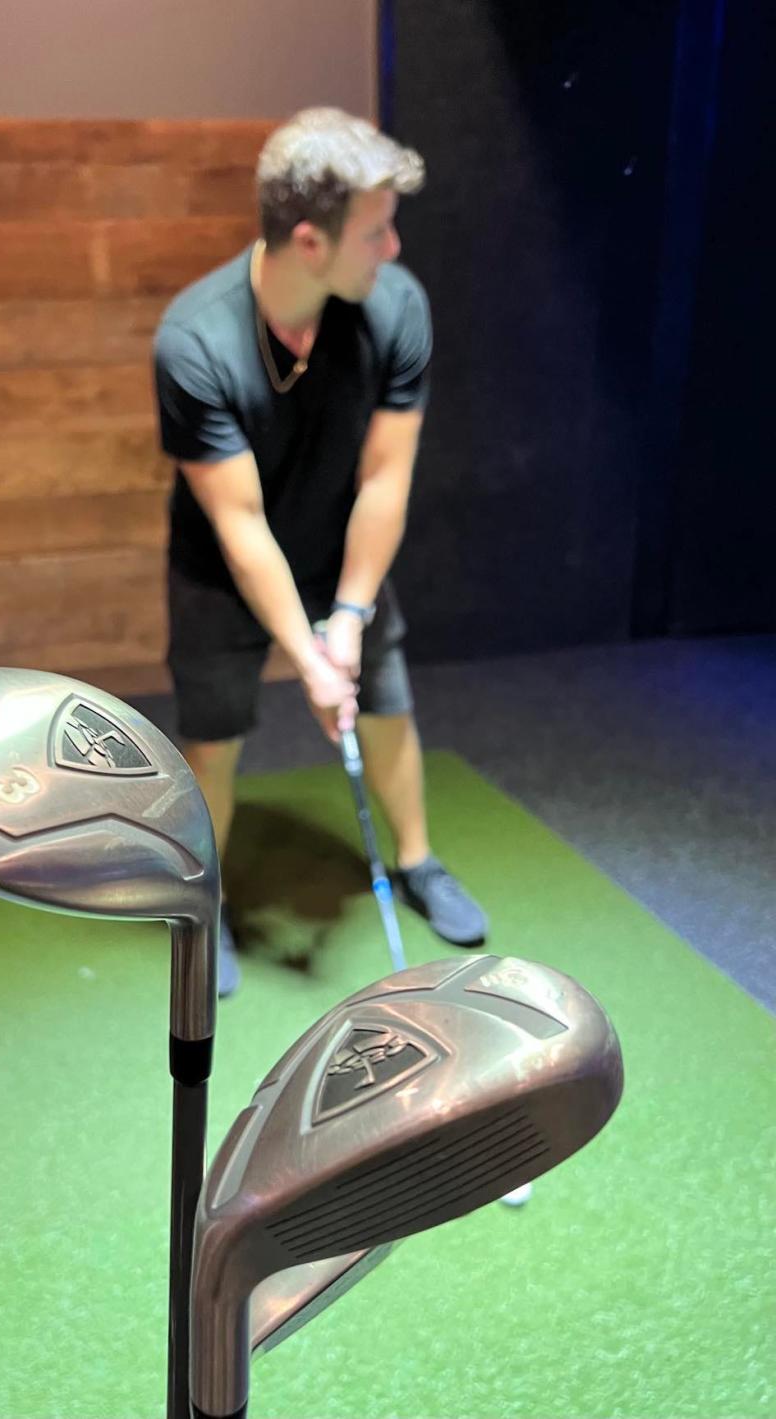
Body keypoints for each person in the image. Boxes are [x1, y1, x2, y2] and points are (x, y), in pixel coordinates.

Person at [152, 106, 487, 998]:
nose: (393, 245)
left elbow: (385, 478)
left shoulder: (395, 306)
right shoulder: (195, 343)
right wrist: (304, 657)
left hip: (345, 554)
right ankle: (205, 902)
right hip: (225, 570)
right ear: (309, 241)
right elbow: (238, 522)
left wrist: (346, 618)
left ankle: (416, 861)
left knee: (384, 700)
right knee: (214, 743)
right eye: (374, 231)